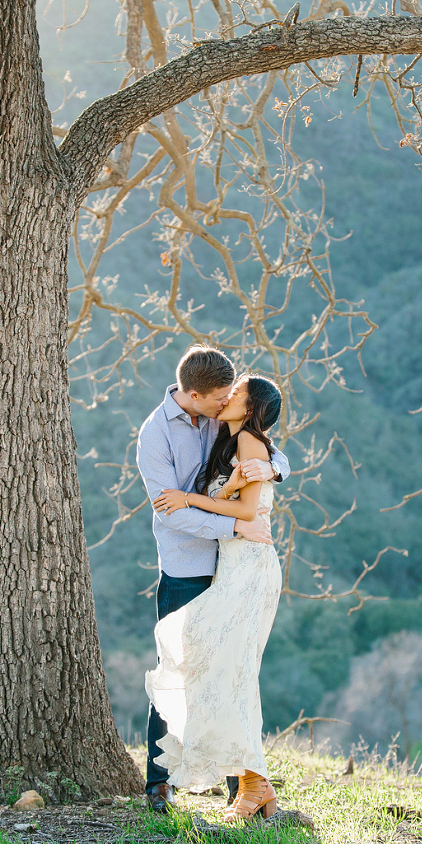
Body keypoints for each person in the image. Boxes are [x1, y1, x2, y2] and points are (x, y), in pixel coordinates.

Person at [135, 346, 289, 816]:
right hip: (187, 567)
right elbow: (170, 512)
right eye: (221, 396)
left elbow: (264, 446)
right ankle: (160, 785)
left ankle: (238, 786)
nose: (227, 403)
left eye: (232, 395)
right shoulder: (155, 435)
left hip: (234, 568)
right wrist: (236, 526)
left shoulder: (222, 419)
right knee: (177, 672)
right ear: (195, 394)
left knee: (228, 674)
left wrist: (277, 468)